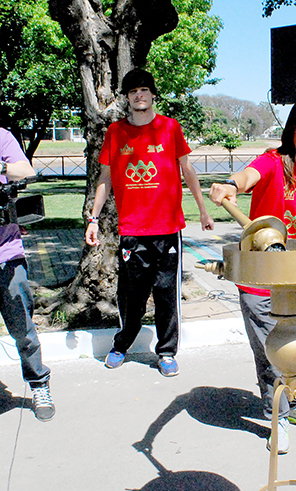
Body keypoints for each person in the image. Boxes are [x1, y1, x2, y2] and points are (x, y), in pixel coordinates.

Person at [209, 98, 296, 455]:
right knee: (271, 350)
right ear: (292, 127)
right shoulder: (271, 162)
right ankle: (276, 415)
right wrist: (229, 185)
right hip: (262, 279)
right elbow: (246, 177)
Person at [85, 68, 214, 378]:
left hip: (168, 229)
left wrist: (204, 210)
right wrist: (93, 218)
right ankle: (121, 345)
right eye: (132, 91)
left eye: (144, 89)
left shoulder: (170, 129)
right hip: (132, 230)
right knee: (132, 297)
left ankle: (167, 352)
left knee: (167, 295)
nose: (139, 95)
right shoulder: (116, 133)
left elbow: (188, 171)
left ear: (153, 94)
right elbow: (104, 178)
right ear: (126, 98)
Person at [0, 127, 55, 421]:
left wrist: (1, 167)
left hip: (6, 253)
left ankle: (39, 385)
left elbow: (25, 169)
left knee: (23, 328)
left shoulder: (2, 137)